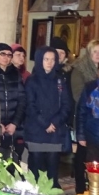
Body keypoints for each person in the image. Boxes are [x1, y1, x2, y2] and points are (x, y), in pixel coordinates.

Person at [24, 47, 73, 187]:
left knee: (52, 169)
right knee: (36, 169)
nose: (50, 63)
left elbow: (66, 104)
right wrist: (45, 124)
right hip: (37, 130)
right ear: (40, 60)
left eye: (52, 59)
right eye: (46, 59)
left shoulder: (59, 80)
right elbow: (30, 106)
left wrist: (55, 122)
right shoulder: (32, 81)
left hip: (54, 132)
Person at [70, 40, 99, 193]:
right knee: (82, 153)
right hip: (84, 117)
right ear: (89, 54)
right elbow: (78, 95)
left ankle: (98, 185)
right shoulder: (79, 70)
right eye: (95, 52)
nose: (98, 55)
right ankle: (80, 186)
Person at [0, 43, 26, 162]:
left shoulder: (16, 74)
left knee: (11, 164)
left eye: (9, 55)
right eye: (3, 54)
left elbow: (22, 99)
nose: (6, 57)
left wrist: (15, 123)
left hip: (13, 128)